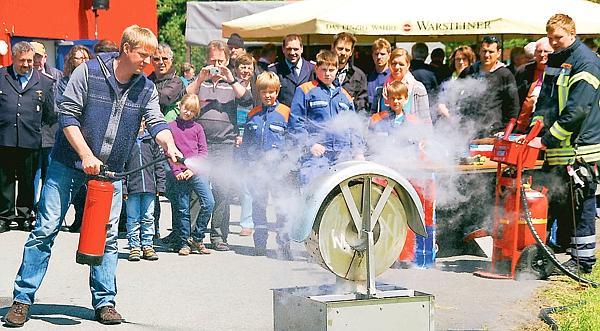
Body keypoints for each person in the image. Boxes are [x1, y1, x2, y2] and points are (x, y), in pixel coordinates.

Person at [3, 25, 183, 327]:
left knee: (108, 238)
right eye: (144, 55)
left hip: (109, 174)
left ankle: (105, 302)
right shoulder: (88, 72)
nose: (148, 62)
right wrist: (86, 154)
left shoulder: (146, 88)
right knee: (45, 230)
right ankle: (22, 300)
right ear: (126, 49)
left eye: (153, 57)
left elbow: (156, 122)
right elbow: (67, 115)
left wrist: (171, 145)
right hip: (66, 165)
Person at [532, 13, 600, 274]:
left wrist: (546, 139)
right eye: (550, 38)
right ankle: (560, 254)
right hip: (559, 150)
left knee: (581, 206)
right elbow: (546, 102)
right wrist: (534, 129)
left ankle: (583, 263)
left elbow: (577, 111)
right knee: (560, 203)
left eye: (558, 37)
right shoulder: (557, 60)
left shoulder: (586, 62)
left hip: (580, 150)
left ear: (572, 33)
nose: (554, 42)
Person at [186, 40, 253, 251]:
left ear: (227, 61)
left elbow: (248, 99)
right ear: (206, 60)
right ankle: (193, 235)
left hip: (225, 144)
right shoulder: (201, 82)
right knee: (198, 190)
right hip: (201, 145)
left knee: (222, 190)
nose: (216, 64)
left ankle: (218, 236)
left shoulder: (232, 83)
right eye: (213, 60)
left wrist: (230, 78)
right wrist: (200, 77)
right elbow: (187, 96)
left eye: (220, 61)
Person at [0, 42, 55, 234]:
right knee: (4, 179)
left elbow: (50, 114)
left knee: (27, 179)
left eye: (30, 60)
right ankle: (4, 216)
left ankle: (24, 215)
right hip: (4, 137)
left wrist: (39, 133)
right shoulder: (1, 76)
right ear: (13, 59)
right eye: (22, 60)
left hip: (30, 138)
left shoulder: (45, 82)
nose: (26, 64)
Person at [290, 50, 362, 185]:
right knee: (313, 193)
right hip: (317, 154)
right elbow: (295, 123)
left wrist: (358, 151)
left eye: (331, 69)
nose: (327, 73)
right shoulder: (305, 90)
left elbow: (354, 126)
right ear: (316, 69)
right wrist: (310, 144)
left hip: (343, 155)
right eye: (323, 69)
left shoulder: (344, 95)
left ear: (337, 70)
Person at [240, 71, 291, 256]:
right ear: (258, 92)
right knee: (259, 206)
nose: (268, 96)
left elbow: (292, 142)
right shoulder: (252, 114)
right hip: (257, 170)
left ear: (277, 91)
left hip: (279, 171)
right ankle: (259, 244)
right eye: (263, 92)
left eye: (271, 92)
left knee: (281, 207)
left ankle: (284, 246)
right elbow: (246, 144)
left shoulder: (286, 113)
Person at [167, 94, 215, 256]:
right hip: (179, 174)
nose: (187, 113)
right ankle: (184, 242)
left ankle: (198, 237)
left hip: (196, 172)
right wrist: (177, 171)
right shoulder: (171, 127)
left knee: (209, 202)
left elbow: (203, 152)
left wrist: (192, 169)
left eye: (192, 111)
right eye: (185, 108)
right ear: (180, 106)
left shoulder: (198, 128)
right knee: (182, 209)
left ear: (196, 113)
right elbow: (168, 152)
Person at [57, 45, 93, 233]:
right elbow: (62, 107)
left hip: (89, 137)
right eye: (79, 58)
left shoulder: (93, 81)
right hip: (69, 139)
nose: (83, 61)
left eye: (86, 58)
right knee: (74, 185)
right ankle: (76, 217)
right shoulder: (64, 82)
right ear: (72, 61)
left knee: (89, 184)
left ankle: (84, 218)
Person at [29, 42, 64, 219]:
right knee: (33, 175)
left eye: (38, 57)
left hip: (51, 133)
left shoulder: (57, 76)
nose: (35, 61)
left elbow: (58, 107)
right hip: (31, 134)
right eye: (32, 57)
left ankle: (47, 210)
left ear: (45, 57)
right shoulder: (25, 76)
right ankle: (33, 209)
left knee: (50, 174)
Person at [459, 36, 520, 136]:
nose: (487, 55)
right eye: (484, 51)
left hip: (494, 132)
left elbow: (513, 106)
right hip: (468, 131)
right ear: (479, 51)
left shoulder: (505, 75)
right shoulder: (469, 72)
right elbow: (455, 94)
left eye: (491, 52)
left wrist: (506, 130)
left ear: (498, 53)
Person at [123, 120, 166, 261]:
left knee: (148, 217)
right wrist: (124, 188)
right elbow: (121, 166)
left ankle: (148, 245)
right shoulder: (126, 141)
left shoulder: (151, 141)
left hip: (150, 187)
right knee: (132, 218)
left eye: (142, 121)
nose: (139, 124)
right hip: (132, 188)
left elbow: (159, 165)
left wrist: (160, 185)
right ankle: (134, 246)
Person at [371, 48, 432, 127]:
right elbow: (373, 117)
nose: (397, 67)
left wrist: (426, 138)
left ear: (408, 65)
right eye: (394, 63)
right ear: (389, 64)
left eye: (401, 64)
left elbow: (426, 119)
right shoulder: (380, 89)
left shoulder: (418, 88)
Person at [514, 37, 554, 132]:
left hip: (544, 128)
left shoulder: (558, 72)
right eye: (539, 51)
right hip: (520, 125)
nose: (542, 54)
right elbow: (515, 99)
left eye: (546, 51)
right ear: (534, 53)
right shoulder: (523, 71)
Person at [268, 34, 315, 107]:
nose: (292, 53)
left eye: (296, 49)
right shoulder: (274, 70)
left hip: (307, 116)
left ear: (301, 49)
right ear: (283, 49)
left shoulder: (313, 69)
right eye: (289, 49)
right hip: (283, 116)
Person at [331, 32, 368, 112]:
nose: (343, 53)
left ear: (351, 52)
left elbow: (362, 105)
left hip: (349, 121)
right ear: (332, 48)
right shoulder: (321, 72)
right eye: (340, 49)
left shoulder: (359, 75)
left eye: (347, 50)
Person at [148, 43, 186, 122]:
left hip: (170, 129)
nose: (161, 62)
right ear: (151, 61)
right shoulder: (147, 80)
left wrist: (142, 94)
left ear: (171, 60)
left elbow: (164, 98)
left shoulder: (176, 81)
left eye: (165, 58)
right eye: (156, 59)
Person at [367, 38, 392, 108]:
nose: (379, 57)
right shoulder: (367, 77)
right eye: (376, 54)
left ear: (389, 55)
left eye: (382, 54)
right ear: (372, 55)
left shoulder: (394, 76)